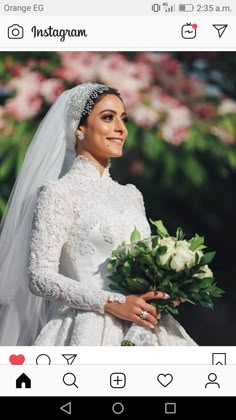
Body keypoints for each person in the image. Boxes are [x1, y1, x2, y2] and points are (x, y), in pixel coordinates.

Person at [0, 82, 196, 346]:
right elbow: (40, 277)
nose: (121, 129)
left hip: (145, 325)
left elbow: (142, 263)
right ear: (78, 129)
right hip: (86, 328)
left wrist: (168, 288)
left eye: (123, 119)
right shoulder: (58, 193)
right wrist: (113, 303)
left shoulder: (131, 195)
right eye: (107, 118)